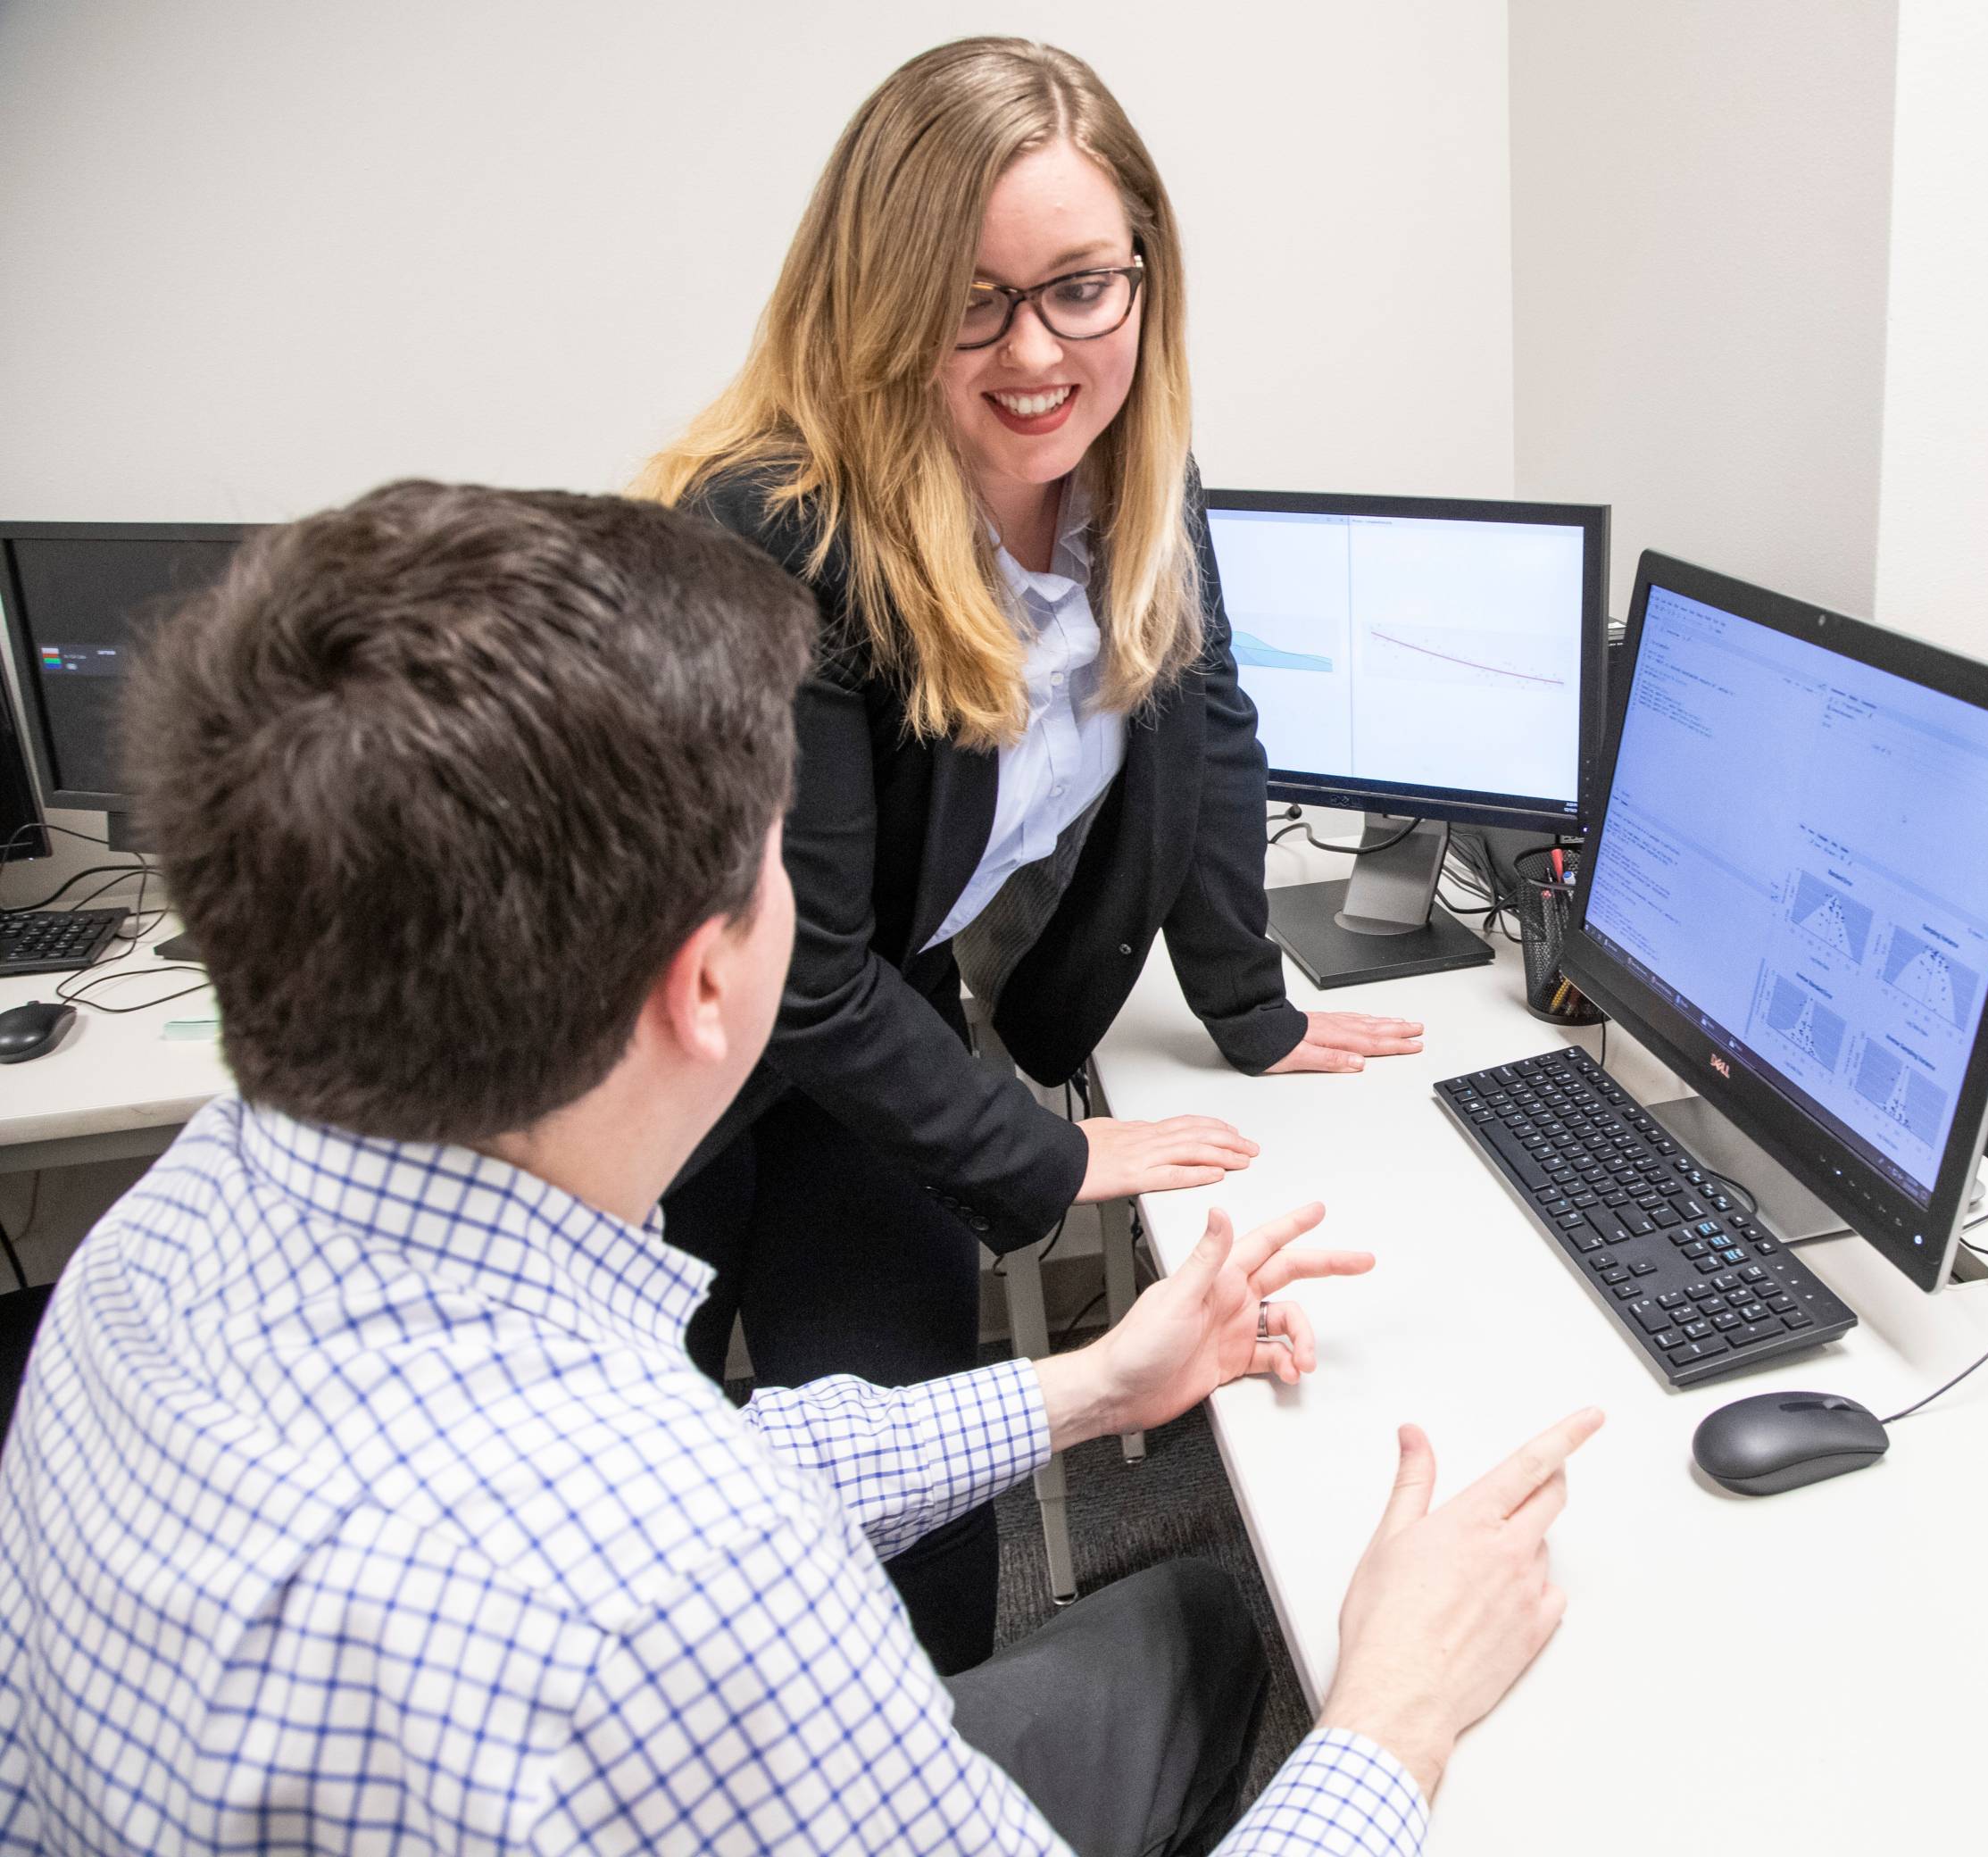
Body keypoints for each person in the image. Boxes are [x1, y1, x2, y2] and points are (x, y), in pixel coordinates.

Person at [0, 482, 1599, 1857]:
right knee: (1220, 1629)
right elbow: (682, 1550)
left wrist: (1096, 1385)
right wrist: (1397, 1716)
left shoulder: (157, 1249)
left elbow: (697, 1486)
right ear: (710, 984)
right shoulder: (684, 1586)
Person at [637, 36, 1423, 1673]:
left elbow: (1204, 720)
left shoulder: (1134, 469)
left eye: (1081, 288)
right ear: (877, 297)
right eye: (970, 299)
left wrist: (1252, 1005)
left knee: (916, 1472)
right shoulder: (782, 527)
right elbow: (799, 970)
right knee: (619, 1493)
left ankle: (913, 1757)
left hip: (868, 1030)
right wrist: (1050, 1157)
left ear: (1144, 277)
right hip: (660, 1069)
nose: (1037, 352)